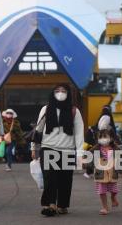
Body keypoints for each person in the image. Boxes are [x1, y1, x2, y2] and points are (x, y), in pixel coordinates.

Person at [32, 84, 84, 217]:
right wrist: (34, 148)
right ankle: (50, 205)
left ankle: (62, 205)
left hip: (67, 150)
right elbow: (38, 129)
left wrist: (79, 153)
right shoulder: (46, 109)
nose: (60, 93)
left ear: (68, 94)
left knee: (65, 179)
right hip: (48, 147)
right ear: (52, 93)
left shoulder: (74, 111)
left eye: (63, 91)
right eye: (57, 91)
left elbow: (79, 133)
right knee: (49, 178)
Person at [89, 129, 122, 215]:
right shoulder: (96, 148)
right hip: (101, 173)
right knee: (102, 191)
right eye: (100, 137)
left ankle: (113, 197)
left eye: (105, 136)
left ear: (111, 138)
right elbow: (88, 156)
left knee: (114, 190)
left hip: (112, 172)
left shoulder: (116, 148)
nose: (102, 139)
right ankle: (105, 207)